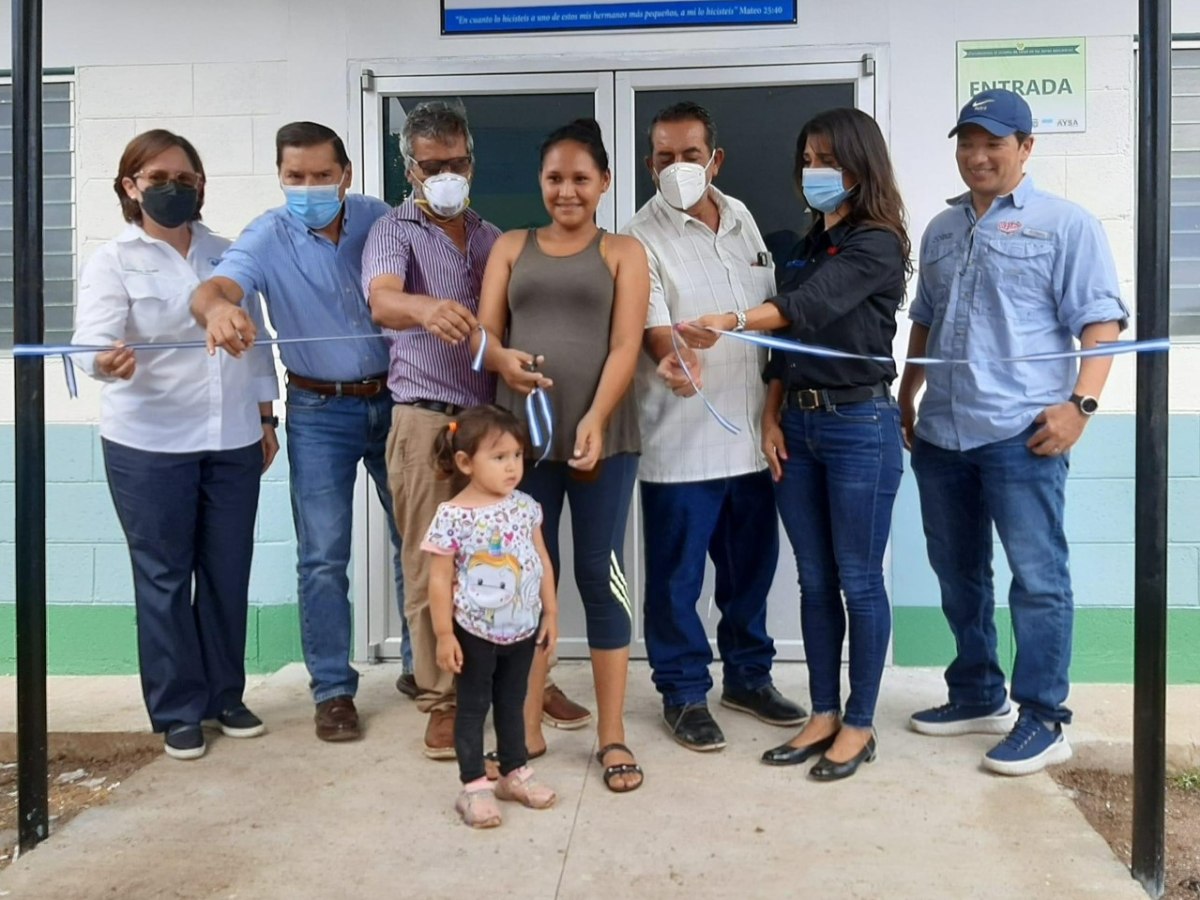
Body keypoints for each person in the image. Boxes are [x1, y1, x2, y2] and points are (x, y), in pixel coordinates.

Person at [898, 90, 1128, 776]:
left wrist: (1079, 408)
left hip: (1021, 434)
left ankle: (1044, 716)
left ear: (1026, 148)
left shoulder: (1066, 226)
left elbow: (1102, 325)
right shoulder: (941, 230)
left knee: (1038, 578)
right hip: (943, 433)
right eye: (967, 142)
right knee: (958, 573)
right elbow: (926, 318)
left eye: (993, 142)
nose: (977, 155)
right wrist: (907, 394)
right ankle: (976, 692)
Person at [682, 107, 909, 781]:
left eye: (828, 160)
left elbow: (805, 311)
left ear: (861, 166)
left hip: (859, 426)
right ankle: (822, 713)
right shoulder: (811, 243)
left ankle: (859, 724)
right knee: (814, 581)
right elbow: (785, 350)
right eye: (808, 159)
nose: (815, 171)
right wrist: (773, 416)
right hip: (802, 429)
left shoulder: (877, 243)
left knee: (859, 581)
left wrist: (729, 319)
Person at [362, 101, 591, 761]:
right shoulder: (394, 230)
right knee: (431, 564)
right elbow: (381, 299)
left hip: (494, 425)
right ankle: (443, 702)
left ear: (472, 161)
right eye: (432, 166)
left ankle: (525, 682)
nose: (446, 176)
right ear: (409, 168)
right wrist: (422, 306)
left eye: (456, 163)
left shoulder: (494, 238)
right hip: (426, 422)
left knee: (513, 559)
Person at [191, 121, 408, 743]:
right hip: (318, 410)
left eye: (321, 175)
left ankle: (423, 672)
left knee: (417, 539)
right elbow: (216, 288)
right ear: (281, 178)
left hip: (396, 400)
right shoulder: (265, 235)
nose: (309, 187)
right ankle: (334, 692)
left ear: (345, 175)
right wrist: (220, 309)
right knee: (322, 557)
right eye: (296, 177)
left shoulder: (379, 218)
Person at [72, 130, 278, 760]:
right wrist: (109, 364)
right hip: (149, 443)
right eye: (157, 178)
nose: (172, 189)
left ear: (201, 185)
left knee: (225, 571)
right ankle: (177, 709)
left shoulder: (228, 253)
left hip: (233, 437)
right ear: (130, 188)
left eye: (184, 178)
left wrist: (268, 417)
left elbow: (260, 339)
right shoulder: (115, 260)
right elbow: (90, 348)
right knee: (163, 576)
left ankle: (225, 695)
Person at [622, 101, 807, 752]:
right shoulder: (638, 236)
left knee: (750, 573)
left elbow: (767, 311)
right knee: (677, 582)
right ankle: (682, 692)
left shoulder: (743, 221)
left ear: (714, 160)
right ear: (650, 165)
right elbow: (650, 326)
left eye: (690, 155)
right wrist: (668, 359)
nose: (678, 167)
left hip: (753, 442)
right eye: (665, 157)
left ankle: (749, 677)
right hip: (680, 446)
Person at [475, 119, 650, 792]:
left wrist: (597, 420)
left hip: (603, 442)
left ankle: (612, 736)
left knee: (597, 575)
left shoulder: (623, 252)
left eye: (581, 178)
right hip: (520, 447)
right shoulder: (513, 247)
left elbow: (626, 345)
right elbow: (486, 334)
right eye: (555, 178)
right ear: (540, 183)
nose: (567, 190)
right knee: (522, 580)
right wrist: (502, 361)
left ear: (604, 182)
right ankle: (524, 732)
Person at [424, 405, 559, 828]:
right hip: (474, 633)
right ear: (465, 462)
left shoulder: (525, 506)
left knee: (512, 701)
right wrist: (445, 635)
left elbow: (541, 559)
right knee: (472, 707)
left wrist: (550, 612)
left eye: (517, 455)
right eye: (498, 458)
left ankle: (514, 772)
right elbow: (439, 581)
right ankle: (475, 787)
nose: (512, 467)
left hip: (521, 629)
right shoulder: (453, 516)